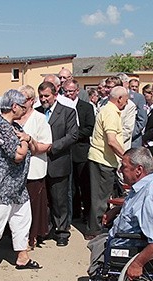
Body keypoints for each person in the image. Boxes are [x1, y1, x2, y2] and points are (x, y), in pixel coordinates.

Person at [90, 147, 153, 278]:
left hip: (128, 247)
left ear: (138, 170)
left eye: (124, 166)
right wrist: (117, 209)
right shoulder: (146, 183)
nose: (120, 170)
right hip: (123, 238)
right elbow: (138, 207)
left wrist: (137, 264)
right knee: (96, 242)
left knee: (98, 246)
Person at [0, 90, 41, 274]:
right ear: (14, 106)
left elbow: (35, 147)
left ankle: (23, 257)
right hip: (1, 185)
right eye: (23, 106)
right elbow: (17, 156)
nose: (26, 109)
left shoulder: (16, 126)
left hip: (17, 185)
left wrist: (28, 138)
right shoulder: (1, 126)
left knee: (22, 220)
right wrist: (25, 142)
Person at [36, 81, 78, 246]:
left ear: (55, 95)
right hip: (39, 162)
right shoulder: (37, 113)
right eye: (41, 96)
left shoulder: (67, 112)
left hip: (58, 161)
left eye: (46, 95)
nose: (44, 99)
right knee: (43, 199)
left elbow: (72, 135)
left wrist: (52, 147)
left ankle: (62, 232)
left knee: (60, 199)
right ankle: (44, 229)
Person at [86, 86, 128, 238]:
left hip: (105, 159)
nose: (127, 102)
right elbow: (111, 141)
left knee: (102, 196)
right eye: (126, 99)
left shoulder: (108, 110)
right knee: (100, 198)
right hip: (102, 160)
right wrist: (126, 157)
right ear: (119, 99)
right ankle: (94, 230)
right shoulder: (111, 113)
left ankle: (97, 226)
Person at [18, 85, 52, 250]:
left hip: (34, 168)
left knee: (33, 205)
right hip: (16, 169)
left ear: (31, 101)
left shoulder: (39, 118)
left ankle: (32, 236)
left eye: (23, 99)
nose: (20, 103)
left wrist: (30, 142)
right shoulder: (14, 117)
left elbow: (46, 144)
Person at [63, 79, 95, 223]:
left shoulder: (86, 107)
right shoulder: (62, 106)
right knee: (71, 186)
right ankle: (74, 213)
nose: (68, 94)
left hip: (81, 150)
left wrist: (73, 136)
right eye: (66, 91)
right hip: (66, 151)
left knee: (84, 184)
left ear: (77, 91)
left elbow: (89, 128)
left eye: (71, 91)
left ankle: (87, 213)